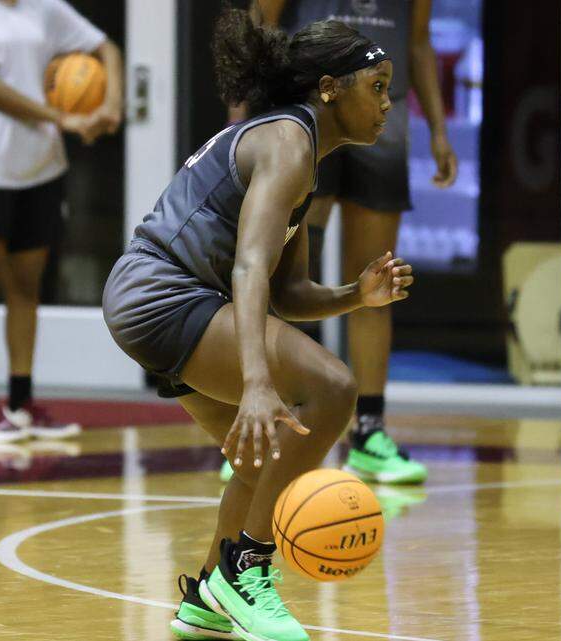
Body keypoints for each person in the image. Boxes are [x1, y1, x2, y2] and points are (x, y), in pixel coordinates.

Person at [101, 9, 411, 641]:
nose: (387, 105)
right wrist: (258, 380)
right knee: (333, 387)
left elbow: (285, 290)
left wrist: (356, 295)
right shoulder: (288, 144)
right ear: (330, 88)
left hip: (158, 301)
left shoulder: (300, 150)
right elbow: (247, 270)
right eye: (376, 88)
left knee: (260, 457)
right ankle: (244, 573)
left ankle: (207, 600)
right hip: (163, 295)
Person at [228, 0, 458, 486]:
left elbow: (418, 42)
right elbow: (258, 24)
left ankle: (369, 431)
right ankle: (263, 423)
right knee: (275, 279)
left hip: (381, 132)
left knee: (377, 281)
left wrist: (437, 129)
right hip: (309, 118)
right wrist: (242, 116)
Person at [0, 0, 123, 443]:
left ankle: (20, 402)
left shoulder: (45, 6)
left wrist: (110, 105)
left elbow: (108, 51)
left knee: (27, 283)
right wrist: (62, 116)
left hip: (42, 166)